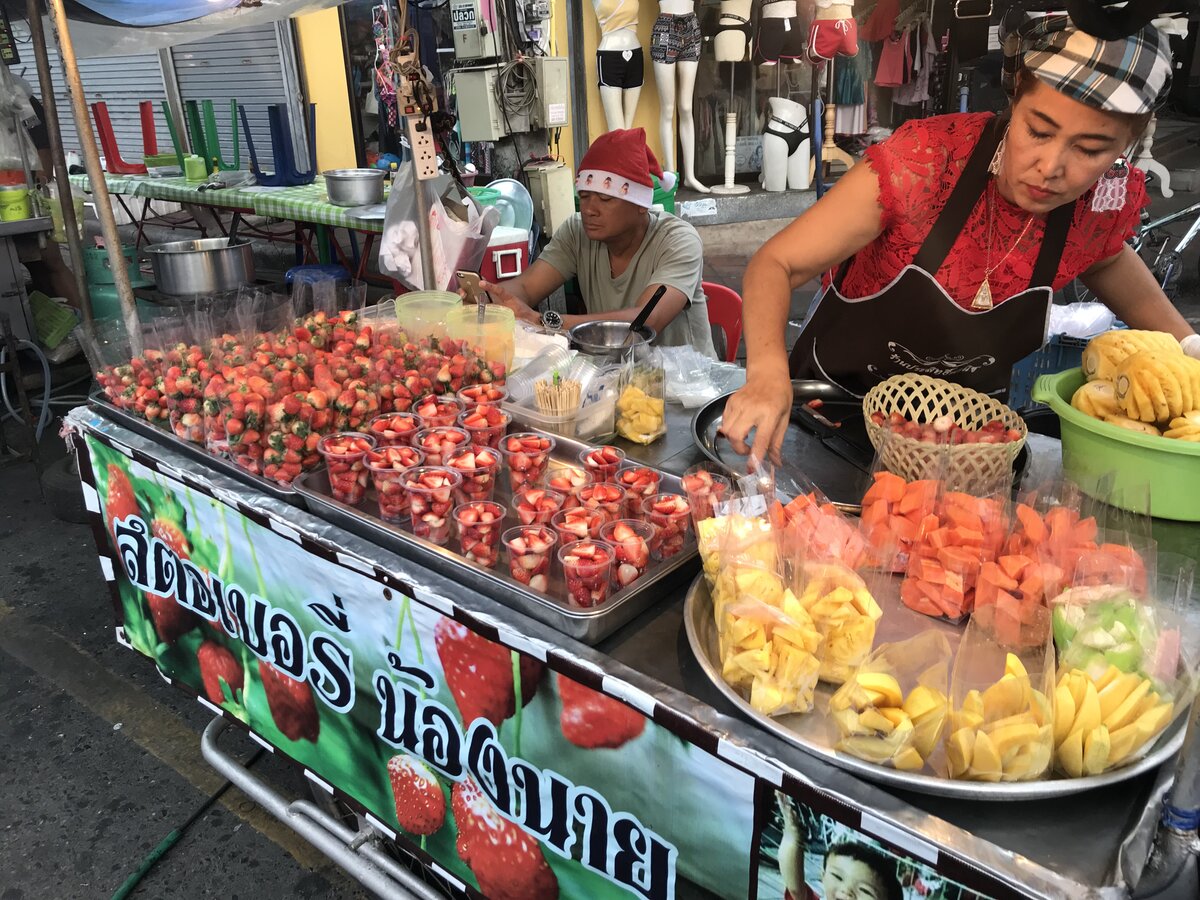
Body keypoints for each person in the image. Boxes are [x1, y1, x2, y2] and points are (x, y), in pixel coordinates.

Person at [721, 16, 1198, 463]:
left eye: (1091, 149)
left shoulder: (1100, 203)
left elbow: (1105, 258)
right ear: (1015, 99)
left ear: (1129, 145)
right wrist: (765, 372)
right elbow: (776, 264)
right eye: (1037, 130)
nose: (1051, 167)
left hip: (967, 446)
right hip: (828, 422)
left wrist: (1188, 345)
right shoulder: (927, 162)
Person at [478, 127, 718, 359]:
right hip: (612, 377)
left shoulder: (678, 240)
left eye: (604, 198)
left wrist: (544, 322)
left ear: (640, 205)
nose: (590, 210)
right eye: (584, 196)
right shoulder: (577, 231)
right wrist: (487, 299)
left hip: (686, 386)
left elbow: (645, 319)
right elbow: (527, 288)